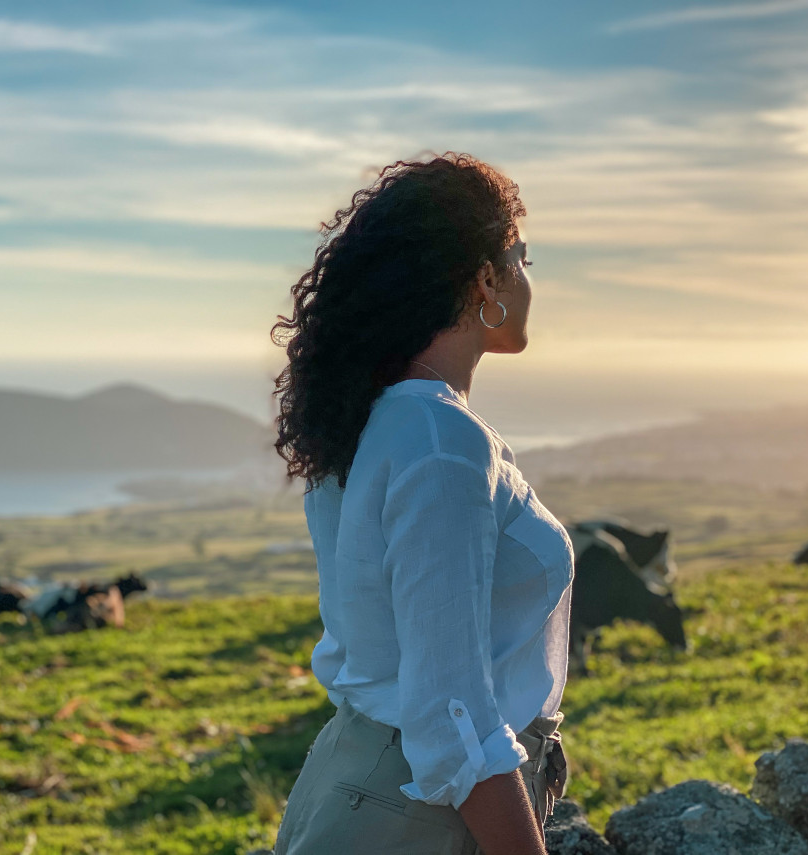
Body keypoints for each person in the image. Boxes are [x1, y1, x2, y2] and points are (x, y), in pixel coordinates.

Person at [269, 153, 574, 855]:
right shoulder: (439, 439)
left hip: (365, 780)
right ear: (484, 280)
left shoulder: (375, 418)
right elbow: (451, 714)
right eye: (522, 259)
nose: (529, 280)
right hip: (415, 813)